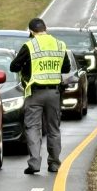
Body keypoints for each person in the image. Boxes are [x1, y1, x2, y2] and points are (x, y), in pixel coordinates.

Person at [10, 17, 70, 175]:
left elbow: (13, 66)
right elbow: (66, 68)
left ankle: (35, 163)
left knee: (33, 128)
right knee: (54, 129)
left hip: (34, 93)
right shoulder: (60, 44)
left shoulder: (29, 46)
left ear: (31, 32)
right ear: (46, 28)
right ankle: (54, 163)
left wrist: (27, 67)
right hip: (54, 93)